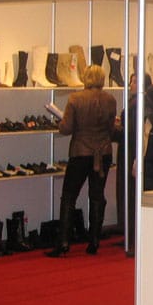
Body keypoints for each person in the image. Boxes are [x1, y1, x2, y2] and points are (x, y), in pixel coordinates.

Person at [47, 64, 117, 257]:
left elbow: (66, 128)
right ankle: (94, 241)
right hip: (103, 153)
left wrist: (60, 122)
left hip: (80, 152)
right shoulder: (110, 100)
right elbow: (111, 130)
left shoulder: (75, 98)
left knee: (69, 196)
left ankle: (63, 242)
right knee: (97, 196)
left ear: (86, 78)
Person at [113, 72, 151, 256]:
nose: (131, 84)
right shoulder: (139, 103)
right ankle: (131, 232)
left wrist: (114, 128)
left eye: (135, 81)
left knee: (129, 192)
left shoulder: (137, 105)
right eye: (131, 81)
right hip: (132, 151)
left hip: (130, 152)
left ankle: (131, 233)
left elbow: (130, 132)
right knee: (130, 192)